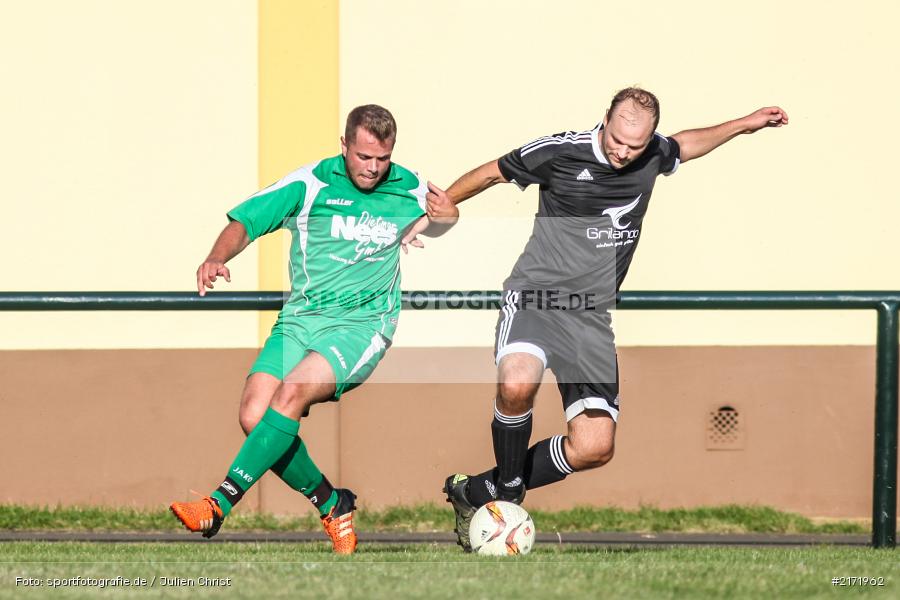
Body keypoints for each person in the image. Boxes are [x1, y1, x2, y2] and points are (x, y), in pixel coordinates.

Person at [423, 87, 788, 552]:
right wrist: (446, 204)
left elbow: (687, 144)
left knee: (595, 445)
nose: (623, 152)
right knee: (517, 384)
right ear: (605, 121)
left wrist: (743, 123)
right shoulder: (560, 151)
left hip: (589, 316)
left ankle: (476, 491)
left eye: (636, 145)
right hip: (536, 294)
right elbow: (494, 172)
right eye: (618, 140)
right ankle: (509, 497)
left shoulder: (653, 154)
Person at [170, 104, 457, 554]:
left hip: (362, 325)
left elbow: (447, 214)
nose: (374, 168)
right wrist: (216, 258)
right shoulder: (311, 183)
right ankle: (332, 504)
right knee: (253, 415)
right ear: (344, 146)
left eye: (382, 158)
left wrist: (433, 222)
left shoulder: (409, 185)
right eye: (364, 157)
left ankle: (218, 504)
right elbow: (246, 221)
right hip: (301, 319)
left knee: (290, 393)